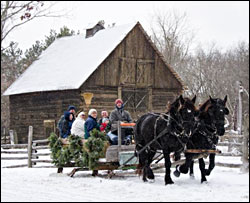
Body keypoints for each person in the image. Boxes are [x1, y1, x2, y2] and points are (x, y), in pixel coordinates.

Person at [84, 108, 100, 176]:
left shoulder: (93, 120)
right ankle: (94, 169)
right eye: (93, 113)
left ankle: (95, 170)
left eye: (95, 113)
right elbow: (90, 131)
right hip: (91, 138)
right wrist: (95, 135)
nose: (95, 114)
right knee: (93, 153)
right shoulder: (90, 120)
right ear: (90, 114)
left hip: (93, 137)